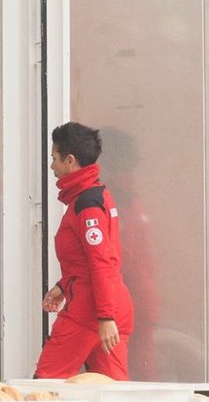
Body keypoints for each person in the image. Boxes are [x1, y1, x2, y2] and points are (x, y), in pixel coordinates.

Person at [35, 122, 136, 381]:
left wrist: (104, 317)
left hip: (90, 314)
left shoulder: (86, 205)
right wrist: (62, 286)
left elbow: (101, 262)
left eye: (54, 159)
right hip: (108, 308)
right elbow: (90, 259)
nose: (52, 167)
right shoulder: (97, 196)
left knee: (46, 388)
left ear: (70, 161)